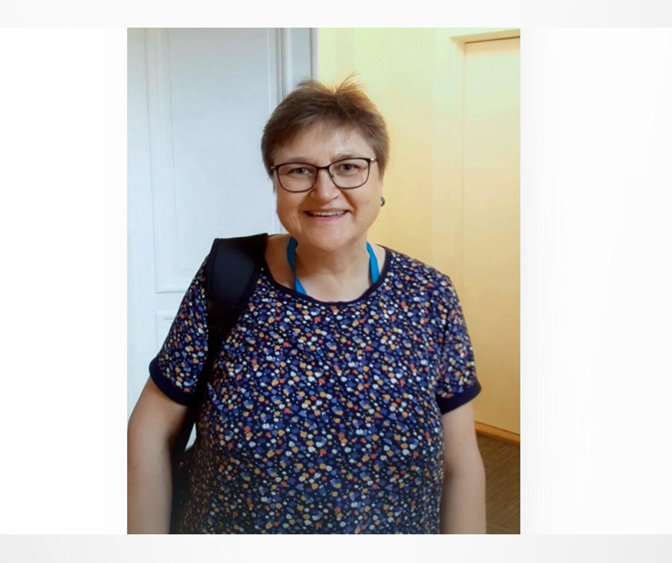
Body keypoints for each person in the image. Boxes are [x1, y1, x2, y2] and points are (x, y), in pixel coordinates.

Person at [128, 78, 486, 534]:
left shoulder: (429, 295)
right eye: (299, 170)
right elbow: (149, 431)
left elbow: (461, 466)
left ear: (379, 177)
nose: (324, 191)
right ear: (275, 183)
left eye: (349, 167)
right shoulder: (227, 277)